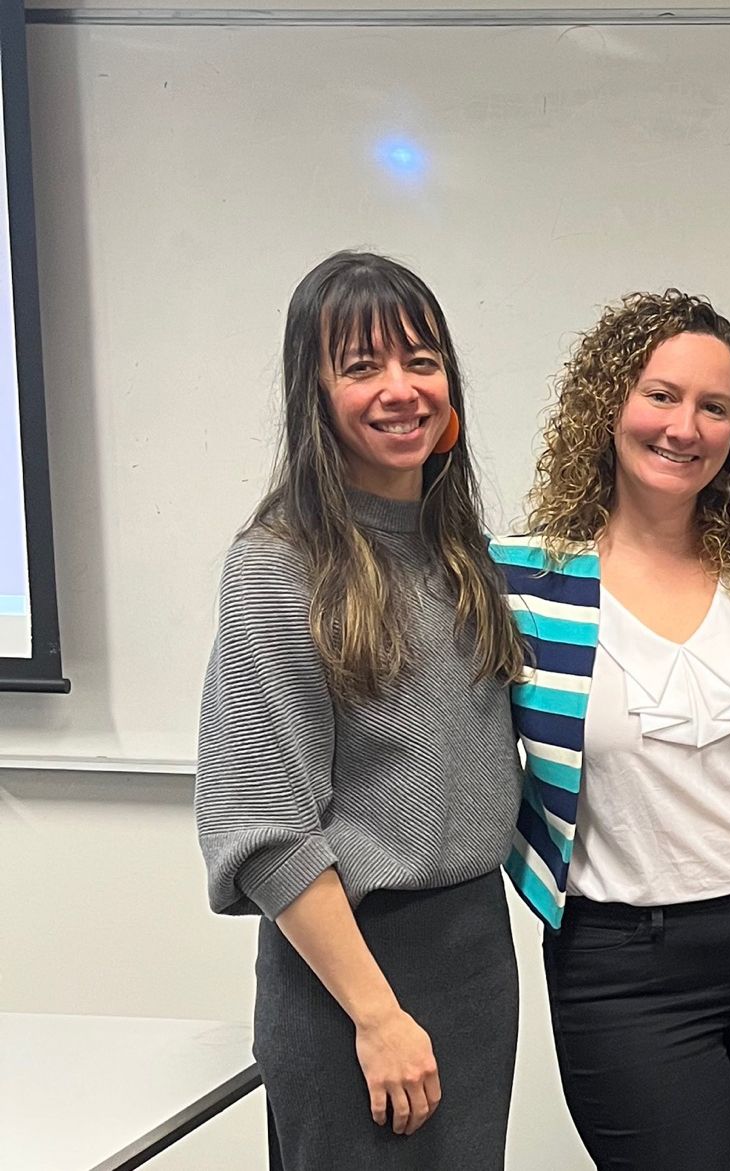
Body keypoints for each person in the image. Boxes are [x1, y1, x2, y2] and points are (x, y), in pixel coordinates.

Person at [494, 291, 730, 1171]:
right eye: (660, 395)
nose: (684, 427)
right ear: (608, 404)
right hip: (625, 968)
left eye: (713, 407)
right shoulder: (524, 584)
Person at [195, 251, 525, 1169]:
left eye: (421, 360)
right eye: (361, 366)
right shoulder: (278, 564)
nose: (400, 389)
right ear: (315, 392)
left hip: (473, 957)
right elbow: (263, 826)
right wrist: (377, 1015)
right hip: (351, 979)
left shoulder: (459, 554)